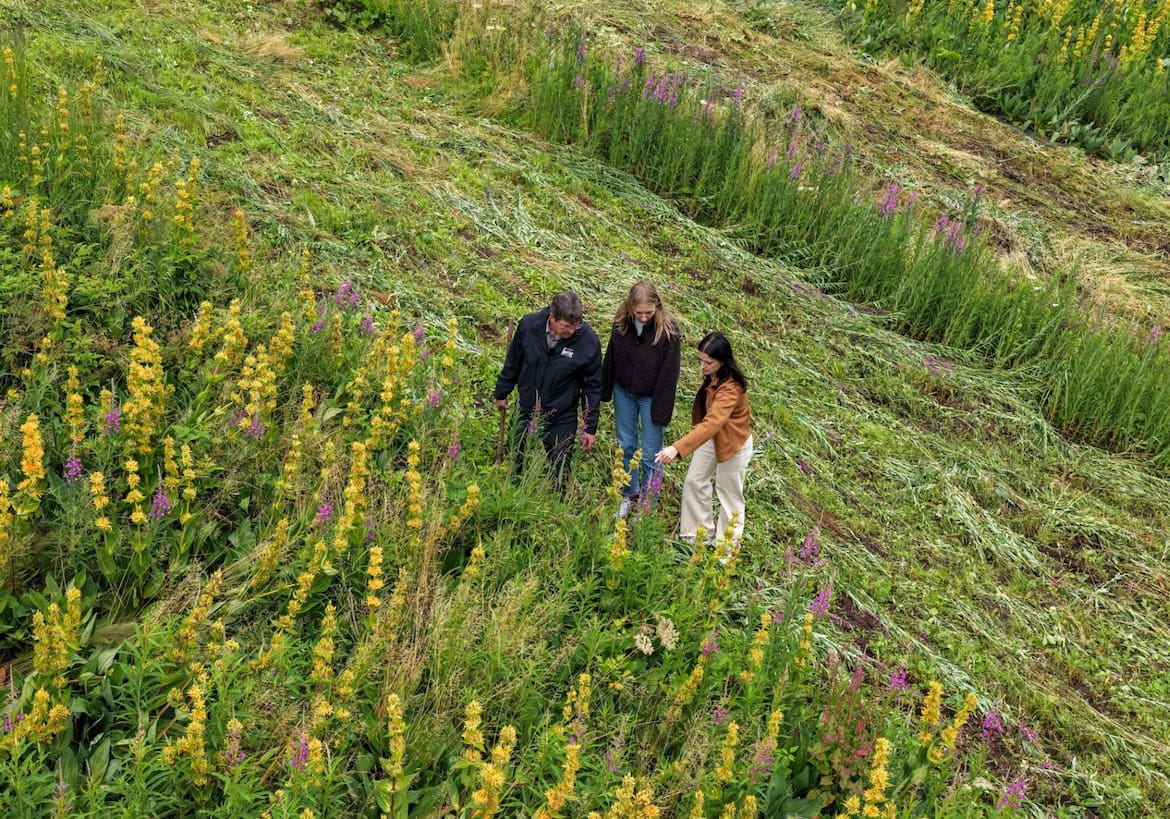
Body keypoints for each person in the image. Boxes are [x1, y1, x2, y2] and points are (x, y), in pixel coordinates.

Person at [494, 291, 602, 491]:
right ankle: (513, 495)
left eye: (576, 325)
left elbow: (592, 386)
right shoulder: (528, 326)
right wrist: (502, 392)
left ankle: (557, 506)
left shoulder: (588, 343)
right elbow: (513, 362)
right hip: (526, 410)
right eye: (567, 326)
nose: (572, 331)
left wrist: (590, 427)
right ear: (552, 318)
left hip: (561, 416)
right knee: (515, 460)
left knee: (560, 471)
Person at [655, 332, 753, 546]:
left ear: (722, 361)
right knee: (694, 480)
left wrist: (677, 448)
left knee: (729, 495)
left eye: (708, 362)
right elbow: (710, 426)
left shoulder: (731, 388)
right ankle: (699, 535)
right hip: (712, 436)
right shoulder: (714, 376)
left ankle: (725, 551)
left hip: (733, 443)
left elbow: (712, 423)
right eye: (700, 360)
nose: (702, 366)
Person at [601, 281, 681, 519]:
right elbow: (611, 357)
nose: (644, 317)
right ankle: (628, 493)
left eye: (649, 312)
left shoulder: (668, 331)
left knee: (650, 454)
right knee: (625, 444)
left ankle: (648, 503)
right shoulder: (621, 325)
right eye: (639, 313)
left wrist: (662, 411)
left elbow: (670, 373)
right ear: (630, 308)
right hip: (624, 391)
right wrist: (604, 390)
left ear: (657, 306)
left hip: (652, 398)